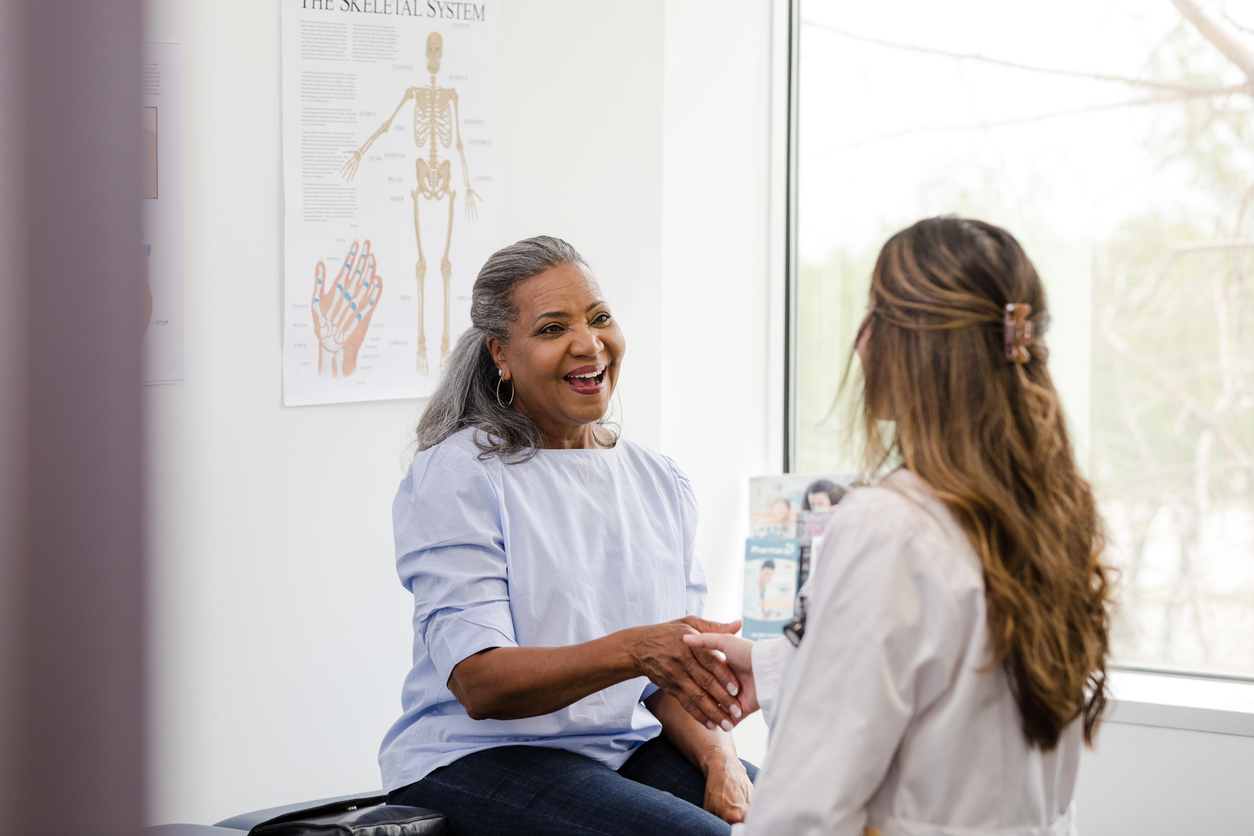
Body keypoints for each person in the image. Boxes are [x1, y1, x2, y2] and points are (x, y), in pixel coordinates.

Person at [689, 217, 1114, 835]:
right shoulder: (1051, 514)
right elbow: (954, 680)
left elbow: (805, 808)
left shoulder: (888, 526)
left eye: (874, 316)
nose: (860, 341)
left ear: (916, 345)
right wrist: (771, 667)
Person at [381, 236, 757, 836]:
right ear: (501, 355)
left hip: (620, 745)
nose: (589, 344)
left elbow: (672, 679)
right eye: (554, 328)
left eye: (600, 317)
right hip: (476, 756)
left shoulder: (658, 479)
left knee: (806, 815)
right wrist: (635, 649)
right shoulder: (459, 476)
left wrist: (721, 759)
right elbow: (481, 684)